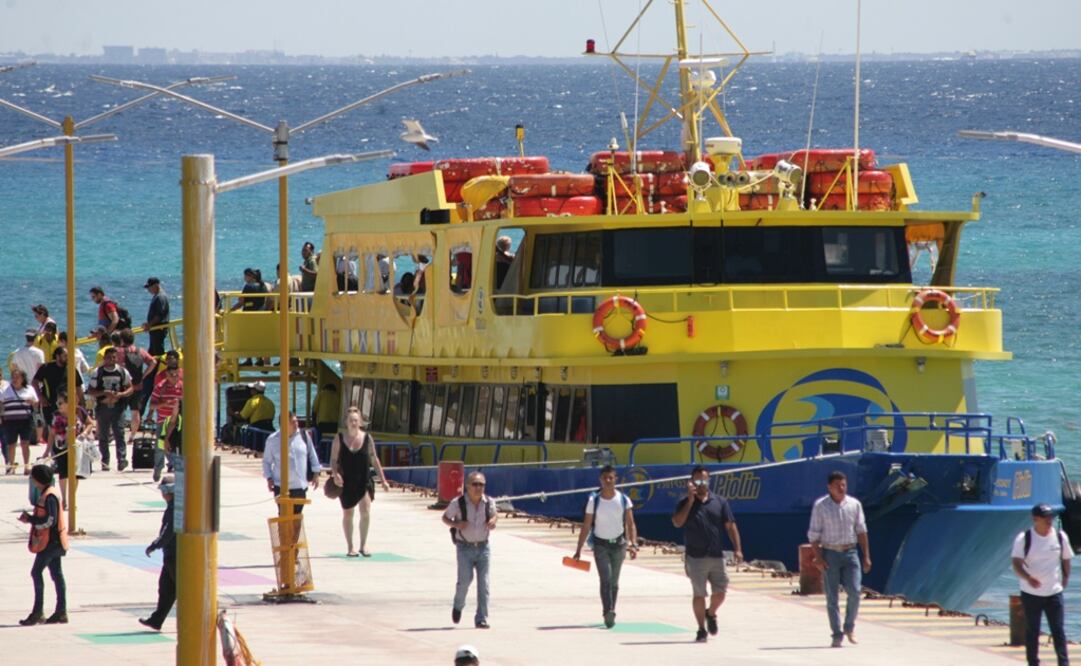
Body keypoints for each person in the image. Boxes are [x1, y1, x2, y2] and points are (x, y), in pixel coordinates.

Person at [671, 465, 744, 643]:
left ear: (709, 480)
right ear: (691, 482)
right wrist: (690, 500)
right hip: (695, 557)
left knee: (721, 592)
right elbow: (677, 523)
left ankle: (710, 613)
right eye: (697, 480)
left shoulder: (720, 502)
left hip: (716, 555)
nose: (701, 483)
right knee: (699, 594)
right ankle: (701, 629)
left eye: (704, 480)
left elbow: (730, 526)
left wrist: (738, 549)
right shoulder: (684, 503)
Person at [807, 470, 871, 648]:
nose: (842, 488)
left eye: (844, 484)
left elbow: (861, 531)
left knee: (855, 591)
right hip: (830, 553)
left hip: (851, 553)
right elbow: (813, 535)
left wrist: (866, 556)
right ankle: (836, 634)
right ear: (829, 487)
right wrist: (818, 558)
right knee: (832, 597)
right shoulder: (821, 506)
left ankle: (849, 627)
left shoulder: (854, 504)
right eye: (838, 485)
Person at [573, 464, 638, 628]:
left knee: (615, 582)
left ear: (615, 479)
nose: (608, 481)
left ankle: (612, 610)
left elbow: (630, 524)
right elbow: (586, 525)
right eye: (605, 478)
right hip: (600, 545)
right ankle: (607, 611)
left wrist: (633, 544)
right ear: (600, 480)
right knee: (606, 579)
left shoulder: (624, 500)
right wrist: (578, 549)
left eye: (611, 478)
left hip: (619, 545)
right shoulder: (593, 500)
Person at [1011, 503, 1073, 666]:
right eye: (1045, 517)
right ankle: (1033, 663)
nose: (1049, 520)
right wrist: (1027, 577)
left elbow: (1066, 558)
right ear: (1035, 519)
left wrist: (1066, 577)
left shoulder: (1060, 536)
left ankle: (1063, 663)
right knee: (1032, 631)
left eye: (1051, 517)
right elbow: (1016, 563)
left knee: (1058, 630)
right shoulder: (1024, 538)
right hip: (1031, 593)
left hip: (1054, 593)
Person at [331, 406, 389, 557]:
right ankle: (350, 547)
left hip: (364, 481)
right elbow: (333, 459)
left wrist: (383, 480)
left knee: (365, 512)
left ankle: (363, 545)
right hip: (346, 482)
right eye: (351, 420)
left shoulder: (367, 438)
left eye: (356, 420)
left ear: (360, 422)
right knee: (348, 514)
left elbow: (374, 460)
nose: (353, 423)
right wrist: (335, 474)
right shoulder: (339, 438)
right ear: (346, 422)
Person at [442, 470, 498, 629]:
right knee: (465, 581)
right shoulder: (458, 503)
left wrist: (493, 521)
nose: (478, 488)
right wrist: (456, 525)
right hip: (464, 547)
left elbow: (495, 515)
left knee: (484, 584)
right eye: (475, 484)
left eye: (482, 485)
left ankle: (481, 618)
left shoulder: (489, 502)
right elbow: (445, 517)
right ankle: (458, 605)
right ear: (467, 486)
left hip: (483, 547)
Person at [17, 464, 69, 626]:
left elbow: (50, 520)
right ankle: (61, 611)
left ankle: (38, 611)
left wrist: (30, 520)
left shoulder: (50, 496)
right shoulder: (46, 493)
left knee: (36, 572)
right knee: (56, 575)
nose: (32, 481)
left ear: (39, 479)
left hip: (51, 543)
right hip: (53, 542)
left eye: (33, 478)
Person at [139, 474, 177, 631]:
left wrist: (155, 545)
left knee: (183, 591)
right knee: (166, 589)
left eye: (164, 491)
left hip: (176, 556)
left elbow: (168, 532)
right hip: (170, 555)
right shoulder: (173, 506)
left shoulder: (175, 509)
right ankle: (157, 620)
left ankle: (195, 620)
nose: (162, 494)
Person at [87, 347, 134, 472]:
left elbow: (130, 388)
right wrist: (104, 393)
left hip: (118, 407)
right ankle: (105, 461)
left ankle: (122, 460)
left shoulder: (122, 372)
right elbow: (90, 391)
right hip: (103, 407)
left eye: (114, 357)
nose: (111, 360)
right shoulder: (98, 372)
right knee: (103, 435)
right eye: (109, 357)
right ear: (104, 359)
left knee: (119, 434)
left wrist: (121, 395)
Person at [46, 391, 91, 506]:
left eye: (60, 403)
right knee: (63, 472)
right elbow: (52, 433)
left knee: (75, 473)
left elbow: (90, 423)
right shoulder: (56, 415)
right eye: (58, 402)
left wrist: (84, 433)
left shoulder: (79, 411)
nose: (58, 405)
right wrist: (47, 451)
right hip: (60, 446)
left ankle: (72, 497)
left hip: (77, 446)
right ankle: (64, 499)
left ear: (68, 403)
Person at [32, 348, 84, 434]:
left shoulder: (71, 369)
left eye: (68, 356)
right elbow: (34, 382)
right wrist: (40, 396)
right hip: (50, 403)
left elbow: (78, 387)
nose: (67, 358)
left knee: (69, 428)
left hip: (68, 404)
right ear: (57, 356)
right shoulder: (47, 367)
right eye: (65, 356)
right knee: (52, 429)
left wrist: (81, 403)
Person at [116, 328, 156, 439]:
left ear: (122, 339)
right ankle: (132, 436)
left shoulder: (118, 351)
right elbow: (153, 361)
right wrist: (145, 375)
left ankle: (119, 434)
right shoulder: (140, 351)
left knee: (119, 412)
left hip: (123, 387)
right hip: (138, 385)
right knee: (135, 412)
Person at [148, 365, 183, 481]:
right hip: (163, 420)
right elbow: (152, 405)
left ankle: (176, 466)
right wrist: (164, 404)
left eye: (176, 375)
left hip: (178, 421)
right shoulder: (160, 387)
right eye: (171, 375)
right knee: (160, 446)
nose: (174, 377)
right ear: (167, 375)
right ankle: (158, 469)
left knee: (177, 445)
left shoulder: (182, 387)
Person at [2, 369, 38, 475]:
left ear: (23, 379)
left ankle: (26, 466)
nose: (14, 379)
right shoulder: (6, 390)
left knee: (25, 443)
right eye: (13, 377)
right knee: (11, 444)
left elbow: (36, 404)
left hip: (25, 420)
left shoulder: (29, 389)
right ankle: (11, 467)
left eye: (17, 377)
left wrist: (31, 402)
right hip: (10, 421)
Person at [142, 277, 170, 356]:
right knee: (152, 353)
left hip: (158, 329)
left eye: (149, 287)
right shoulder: (157, 296)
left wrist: (149, 325)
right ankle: (154, 368)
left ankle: (159, 367)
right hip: (155, 329)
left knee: (157, 352)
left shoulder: (160, 297)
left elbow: (159, 315)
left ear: (156, 285)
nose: (148, 289)